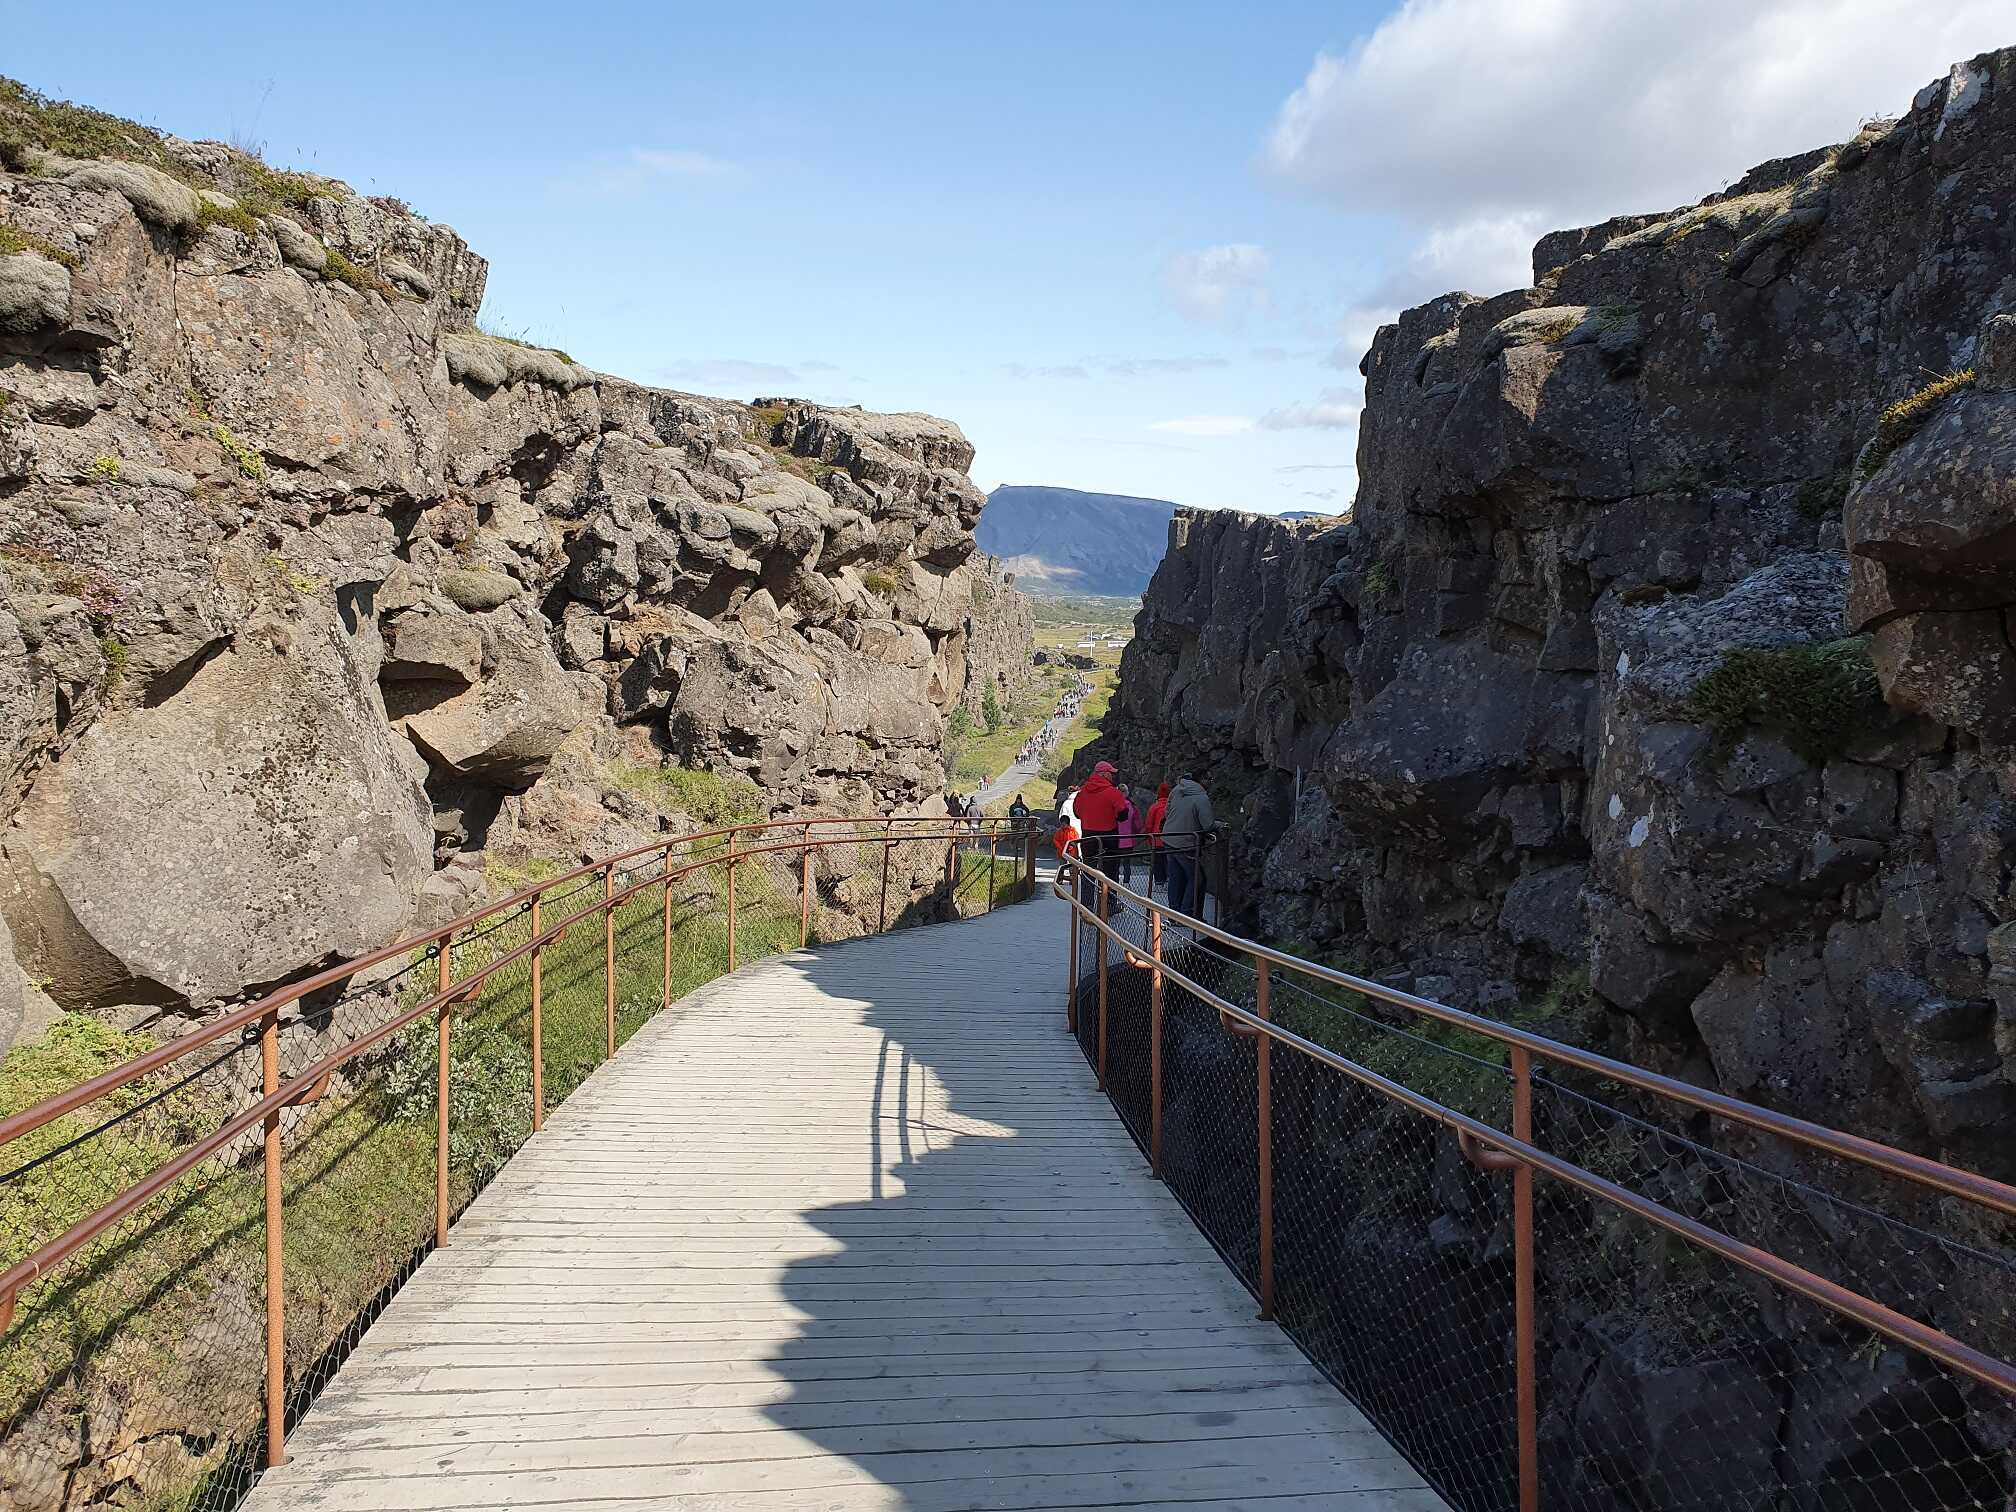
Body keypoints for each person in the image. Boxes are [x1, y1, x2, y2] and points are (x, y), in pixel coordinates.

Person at [1161, 771, 1215, 920]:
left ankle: (1174, 914)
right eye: (1210, 779)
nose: (1211, 782)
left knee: (1175, 877)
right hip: (1186, 842)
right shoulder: (1201, 797)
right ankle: (1188, 914)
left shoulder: (1177, 789)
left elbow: (1167, 812)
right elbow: (1208, 824)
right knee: (1197, 878)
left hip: (1168, 839)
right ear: (1201, 780)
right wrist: (1219, 824)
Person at [1073, 761, 1128, 895]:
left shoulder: (1082, 793)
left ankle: (1087, 905)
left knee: (1088, 871)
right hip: (1109, 836)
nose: (1112, 776)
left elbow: (1077, 813)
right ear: (1103, 774)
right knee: (1110, 872)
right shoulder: (1113, 793)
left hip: (1088, 836)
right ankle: (1109, 905)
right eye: (1111, 773)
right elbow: (1123, 815)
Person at [1145, 781, 1170, 897]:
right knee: (1168, 862)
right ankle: (1168, 882)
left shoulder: (1154, 807)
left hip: (1156, 839)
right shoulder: (1171, 806)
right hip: (1170, 840)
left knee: (1157, 862)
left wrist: (1149, 838)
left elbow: (1149, 824)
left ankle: (1159, 882)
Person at [1113, 783, 1139, 887]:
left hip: (1115, 838)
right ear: (1126, 792)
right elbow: (1136, 823)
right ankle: (1126, 882)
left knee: (1115, 863)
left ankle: (1114, 882)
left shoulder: (1114, 805)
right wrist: (1138, 832)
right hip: (1128, 839)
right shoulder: (1132, 806)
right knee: (1127, 863)